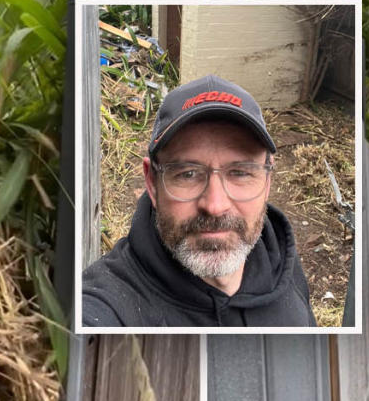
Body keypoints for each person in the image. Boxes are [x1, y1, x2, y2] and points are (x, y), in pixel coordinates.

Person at [82, 75, 316, 327]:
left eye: (240, 172)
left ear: (267, 181)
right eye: (187, 174)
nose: (215, 206)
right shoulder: (104, 308)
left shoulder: (281, 261)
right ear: (151, 182)